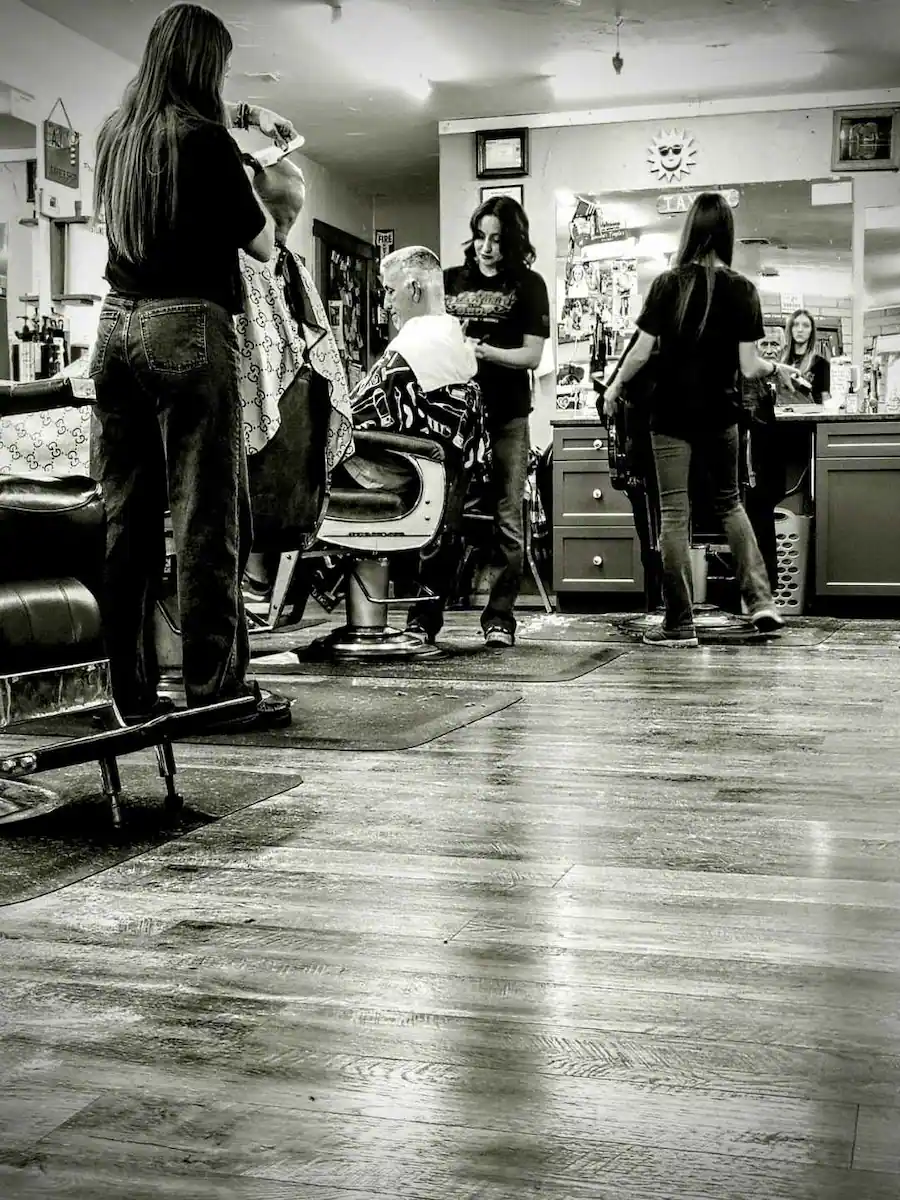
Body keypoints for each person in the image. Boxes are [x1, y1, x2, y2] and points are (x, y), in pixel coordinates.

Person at [91, 2, 299, 729]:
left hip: (113, 327)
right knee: (207, 513)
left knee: (126, 521)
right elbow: (265, 243)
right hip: (186, 326)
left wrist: (234, 118)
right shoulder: (207, 142)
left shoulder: (116, 136)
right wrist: (248, 159)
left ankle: (128, 693)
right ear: (208, 65)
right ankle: (217, 691)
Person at [603, 192, 802, 647]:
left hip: (670, 416)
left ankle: (679, 624)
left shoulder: (667, 284)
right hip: (721, 416)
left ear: (689, 229)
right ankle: (761, 601)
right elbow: (751, 367)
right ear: (727, 234)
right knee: (731, 506)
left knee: (675, 516)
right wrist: (780, 369)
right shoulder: (743, 289)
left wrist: (614, 387)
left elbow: (640, 351)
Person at [234, 154, 354, 599]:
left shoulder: (237, 268)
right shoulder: (292, 275)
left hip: (246, 464)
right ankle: (257, 574)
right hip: (284, 480)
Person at [443, 196, 550, 647]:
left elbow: (532, 355)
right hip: (454, 414)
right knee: (444, 513)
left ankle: (500, 617)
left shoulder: (529, 284)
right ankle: (427, 615)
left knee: (509, 515)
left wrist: (487, 354)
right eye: (481, 236)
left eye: (497, 240)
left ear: (513, 242)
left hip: (508, 411)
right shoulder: (450, 280)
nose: (486, 248)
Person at [782, 308, 831, 403]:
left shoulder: (821, 364)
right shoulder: (781, 361)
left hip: (810, 416)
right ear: (790, 329)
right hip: (783, 415)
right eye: (795, 325)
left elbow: (826, 399)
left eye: (806, 326)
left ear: (811, 330)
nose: (800, 330)